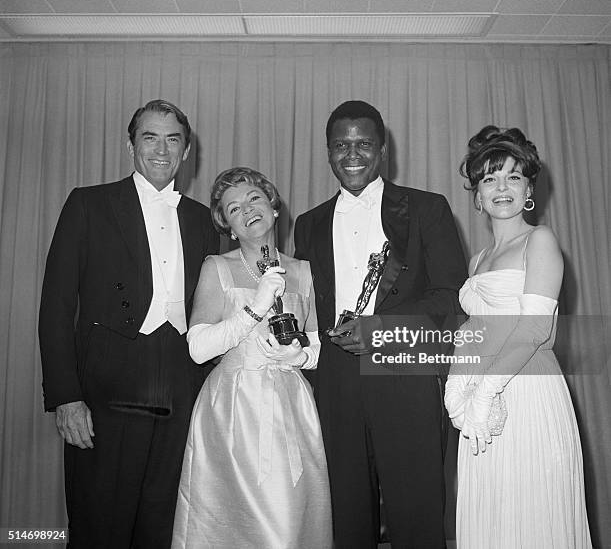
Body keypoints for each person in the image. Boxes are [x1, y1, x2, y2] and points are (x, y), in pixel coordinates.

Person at [38, 100, 219, 548]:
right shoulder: (88, 203)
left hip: (180, 386)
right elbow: (56, 306)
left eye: (173, 139)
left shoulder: (200, 219)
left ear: (187, 150)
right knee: (99, 523)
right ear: (130, 145)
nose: (162, 149)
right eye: (150, 138)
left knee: (163, 524)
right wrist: (66, 397)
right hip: (106, 390)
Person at [294, 100, 467, 548]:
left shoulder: (427, 208)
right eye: (341, 145)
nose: (352, 155)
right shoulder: (307, 224)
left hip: (404, 375)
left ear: (383, 149)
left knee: (417, 512)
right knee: (346, 517)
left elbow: (450, 297)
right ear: (327, 151)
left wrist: (376, 330)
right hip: (334, 384)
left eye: (364, 144)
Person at [444, 125, 592, 548]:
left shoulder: (539, 239)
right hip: (480, 403)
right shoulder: (477, 260)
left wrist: (487, 391)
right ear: (477, 195)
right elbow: (472, 333)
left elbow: (534, 329)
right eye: (489, 178)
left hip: (527, 389)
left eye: (512, 176)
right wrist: (458, 391)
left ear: (529, 187)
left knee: (532, 513)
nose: (501, 187)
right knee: (492, 512)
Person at [171, 167, 332, 549]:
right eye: (233, 208)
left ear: (274, 208)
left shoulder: (303, 271)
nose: (247, 210)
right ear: (228, 226)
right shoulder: (217, 267)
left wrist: (300, 356)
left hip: (292, 407)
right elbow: (198, 348)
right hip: (232, 409)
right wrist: (254, 308)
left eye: (254, 199)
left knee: (290, 518)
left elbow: (317, 344)